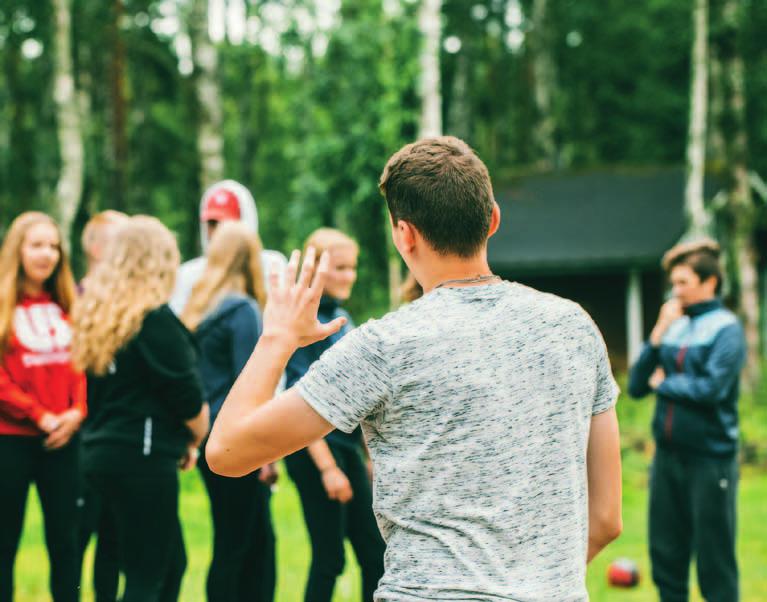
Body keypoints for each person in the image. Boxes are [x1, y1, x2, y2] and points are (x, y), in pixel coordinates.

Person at [206, 136, 623, 600]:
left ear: (403, 234)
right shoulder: (575, 328)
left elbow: (226, 452)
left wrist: (277, 337)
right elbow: (606, 519)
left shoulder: (385, 346)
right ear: (493, 220)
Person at [72, 216, 209, 602]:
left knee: (163, 563)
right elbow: (186, 398)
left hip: (101, 455)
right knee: (149, 575)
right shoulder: (154, 320)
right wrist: (195, 437)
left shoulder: (99, 320)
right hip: (143, 458)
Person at [628, 239, 745, 602]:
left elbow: (712, 389)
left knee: (714, 560)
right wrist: (658, 333)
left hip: (710, 461)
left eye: (683, 282)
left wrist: (665, 384)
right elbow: (635, 386)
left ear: (709, 282)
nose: (674, 290)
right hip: (667, 459)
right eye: (673, 282)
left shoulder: (727, 329)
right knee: (666, 555)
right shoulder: (673, 324)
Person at [283, 228, 385, 602]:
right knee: (329, 558)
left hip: (345, 448)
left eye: (352, 267)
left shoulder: (342, 318)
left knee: (375, 554)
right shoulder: (303, 322)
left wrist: (367, 456)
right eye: (339, 267)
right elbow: (299, 399)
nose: (349, 276)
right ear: (317, 269)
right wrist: (327, 468)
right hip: (315, 452)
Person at [181, 221, 276, 602]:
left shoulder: (199, 310)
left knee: (241, 539)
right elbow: (250, 382)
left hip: (210, 439)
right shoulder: (243, 310)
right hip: (240, 441)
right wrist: (266, 452)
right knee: (242, 546)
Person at [0, 211, 86, 602]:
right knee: (4, 542)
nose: (47, 254)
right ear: (17, 250)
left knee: (67, 543)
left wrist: (77, 411)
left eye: (54, 246)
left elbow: (81, 364)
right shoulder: (4, 306)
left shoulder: (69, 304)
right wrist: (39, 414)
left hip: (63, 441)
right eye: (37, 245)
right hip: (11, 441)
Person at [77, 209, 128, 602]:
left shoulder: (132, 309)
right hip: (78, 439)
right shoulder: (73, 300)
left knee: (113, 539)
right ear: (94, 248)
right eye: (119, 241)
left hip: (116, 441)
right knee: (74, 539)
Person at [169, 179, 287, 315]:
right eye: (213, 223)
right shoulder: (187, 275)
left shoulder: (272, 267)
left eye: (228, 223)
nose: (220, 231)